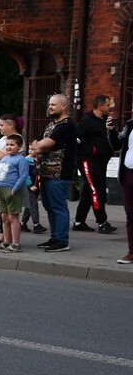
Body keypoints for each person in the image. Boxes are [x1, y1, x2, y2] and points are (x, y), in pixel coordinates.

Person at [31, 93, 77, 252]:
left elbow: (45, 144)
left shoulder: (66, 125)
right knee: (49, 206)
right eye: (49, 104)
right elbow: (35, 144)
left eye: (53, 104)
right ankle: (55, 237)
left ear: (64, 106)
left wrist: (42, 146)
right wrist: (41, 146)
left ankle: (62, 240)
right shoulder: (51, 125)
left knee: (58, 207)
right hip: (45, 173)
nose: (49, 107)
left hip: (59, 173)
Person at [73, 94, 120, 234]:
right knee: (96, 190)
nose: (109, 108)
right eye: (107, 105)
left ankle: (79, 221)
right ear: (100, 106)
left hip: (100, 161)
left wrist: (111, 130)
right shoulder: (87, 121)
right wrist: (76, 159)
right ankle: (102, 222)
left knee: (89, 190)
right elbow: (75, 140)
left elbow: (112, 142)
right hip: (88, 161)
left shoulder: (103, 121)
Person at [0, 134, 30, 253]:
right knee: (4, 217)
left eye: (12, 145)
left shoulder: (21, 159)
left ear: (19, 147)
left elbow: (23, 176)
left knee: (13, 217)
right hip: (1, 190)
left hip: (13, 191)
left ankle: (15, 243)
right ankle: (6, 241)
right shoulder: (4, 158)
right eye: (7, 144)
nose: (8, 147)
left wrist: (15, 189)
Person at [118, 101, 133, 265]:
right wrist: (111, 131)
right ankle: (131, 251)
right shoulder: (130, 126)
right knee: (130, 215)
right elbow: (116, 143)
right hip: (128, 173)